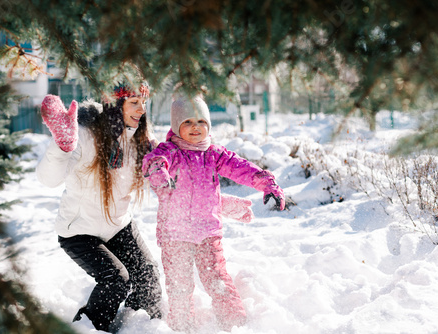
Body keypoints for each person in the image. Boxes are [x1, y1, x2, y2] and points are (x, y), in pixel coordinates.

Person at [142, 94, 295, 332]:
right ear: (176, 126)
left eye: (201, 122)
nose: (195, 127)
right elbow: (155, 160)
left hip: (207, 232)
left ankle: (234, 324)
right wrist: (158, 172)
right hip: (176, 235)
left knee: (218, 280)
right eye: (188, 122)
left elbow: (241, 168)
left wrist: (267, 183)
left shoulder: (214, 154)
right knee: (180, 286)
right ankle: (182, 327)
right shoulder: (171, 151)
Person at [36, 83, 163, 333]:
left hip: (118, 225)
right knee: (116, 280)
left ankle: (140, 324)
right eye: (134, 102)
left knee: (147, 274)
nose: (141, 109)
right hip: (79, 232)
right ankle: (89, 328)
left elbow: (168, 183)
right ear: (115, 105)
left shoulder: (140, 141)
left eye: (144, 102)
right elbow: (48, 180)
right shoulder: (84, 134)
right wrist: (62, 146)